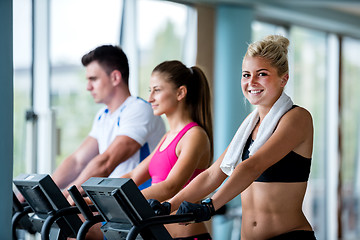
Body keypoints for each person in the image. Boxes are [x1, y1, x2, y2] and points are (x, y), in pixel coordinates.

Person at [154, 35, 316, 240]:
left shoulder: (297, 117)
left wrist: (209, 205)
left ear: (284, 78)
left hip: (289, 235)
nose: (251, 82)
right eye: (246, 75)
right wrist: (169, 205)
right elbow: (213, 174)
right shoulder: (250, 123)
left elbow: (253, 166)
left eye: (262, 74)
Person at [51, 45, 166, 199]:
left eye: (94, 79)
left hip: (139, 202)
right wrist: (46, 191)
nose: (88, 87)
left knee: (67, 219)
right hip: (115, 200)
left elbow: (106, 162)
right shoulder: (103, 115)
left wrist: (69, 193)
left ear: (115, 78)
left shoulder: (139, 109)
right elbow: (78, 160)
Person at [121, 60, 214, 240]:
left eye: (157, 90)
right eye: (150, 91)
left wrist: (118, 200)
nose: (150, 99)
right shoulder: (168, 136)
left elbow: (170, 187)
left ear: (180, 92)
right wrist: (92, 192)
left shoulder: (194, 135)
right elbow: (133, 176)